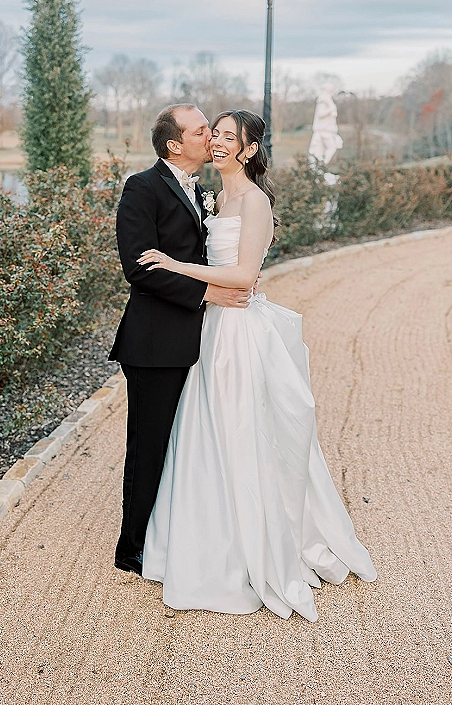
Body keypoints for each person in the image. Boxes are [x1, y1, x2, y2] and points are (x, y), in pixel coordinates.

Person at [139, 110, 377, 621]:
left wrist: (174, 263)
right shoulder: (217, 197)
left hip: (239, 332)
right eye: (214, 134)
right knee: (207, 432)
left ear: (248, 150)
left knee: (242, 428)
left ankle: (257, 544)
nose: (219, 143)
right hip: (211, 328)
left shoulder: (254, 201)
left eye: (229, 137)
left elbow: (245, 275)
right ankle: (206, 539)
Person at [109, 104, 253, 576]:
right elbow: (140, 267)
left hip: (202, 338)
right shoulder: (142, 188)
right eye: (200, 130)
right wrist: (208, 291)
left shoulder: (205, 191)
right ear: (175, 144)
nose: (211, 136)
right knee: (149, 445)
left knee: (190, 443)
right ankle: (131, 548)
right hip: (154, 343)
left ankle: (175, 533)